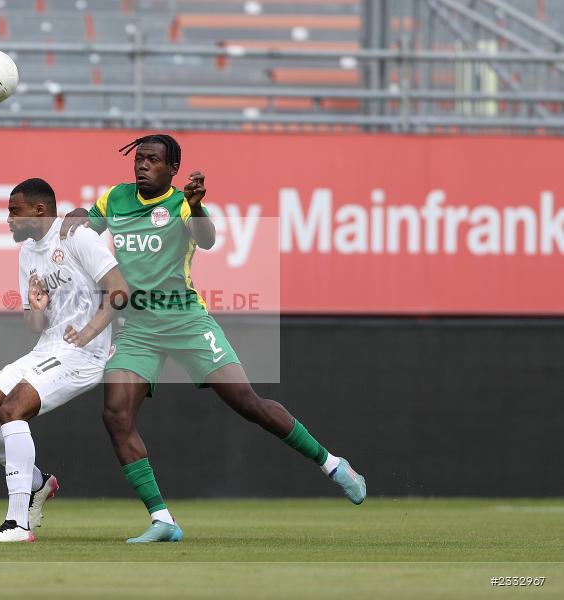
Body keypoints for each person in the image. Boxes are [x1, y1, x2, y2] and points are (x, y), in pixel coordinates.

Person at [60, 134, 366, 543]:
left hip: (186, 320)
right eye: (139, 158)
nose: (142, 165)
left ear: (172, 170)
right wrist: (79, 212)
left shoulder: (184, 204)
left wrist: (199, 204)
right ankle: (162, 520)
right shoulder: (115, 198)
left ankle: (331, 463)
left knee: (247, 402)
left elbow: (206, 239)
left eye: (153, 160)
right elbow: (85, 227)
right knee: (115, 414)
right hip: (138, 328)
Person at [0, 178, 128, 542]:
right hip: (47, 348)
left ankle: (17, 524)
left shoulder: (77, 236)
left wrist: (88, 334)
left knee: (12, 410)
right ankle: (37, 483)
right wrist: (37, 309)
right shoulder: (27, 254)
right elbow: (33, 322)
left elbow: (120, 291)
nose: (8, 220)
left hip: (85, 353)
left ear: (39, 211)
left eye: (14, 211)